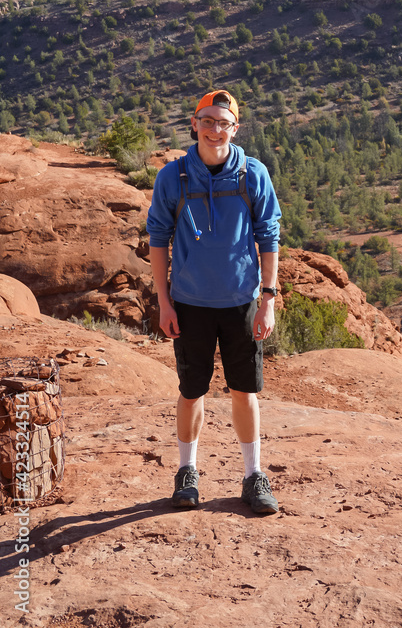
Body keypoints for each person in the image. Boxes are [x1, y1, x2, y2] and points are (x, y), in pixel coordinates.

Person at [147, 89, 282, 514]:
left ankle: (252, 475)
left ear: (235, 128)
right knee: (192, 391)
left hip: (241, 300)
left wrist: (269, 299)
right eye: (207, 120)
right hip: (189, 302)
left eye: (223, 122)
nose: (215, 129)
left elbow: (269, 235)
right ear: (194, 123)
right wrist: (164, 302)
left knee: (244, 390)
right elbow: (158, 238)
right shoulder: (174, 177)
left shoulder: (252, 174)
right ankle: (187, 474)